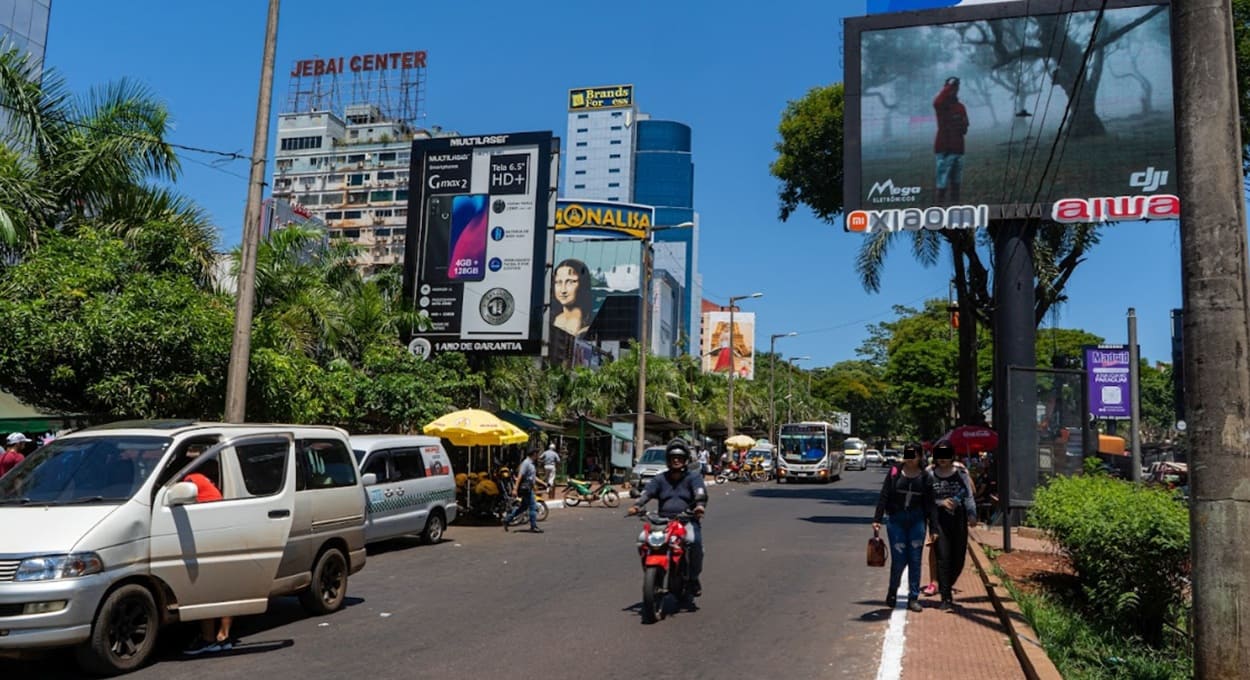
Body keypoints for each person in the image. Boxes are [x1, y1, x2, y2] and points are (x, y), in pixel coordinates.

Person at [627, 439, 708, 599]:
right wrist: (637, 505)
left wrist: (699, 507)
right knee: (642, 539)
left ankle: (693, 578)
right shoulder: (660, 479)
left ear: (685, 459)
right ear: (668, 460)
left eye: (679, 457)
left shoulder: (693, 478)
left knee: (694, 542)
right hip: (662, 521)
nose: (676, 460)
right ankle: (652, 572)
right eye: (672, 457)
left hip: (686, 520)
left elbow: (700, 493)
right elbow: (647, 492)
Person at [180, 446, 234, 655]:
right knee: (223, 590)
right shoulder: (205, 480)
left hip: (209, 536)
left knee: (207, 592)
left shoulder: (191, 480)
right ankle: (224, 636)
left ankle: (208, 639)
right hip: (221, 533)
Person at [873, 443, 934, 612]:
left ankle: (913, 597)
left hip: (917, 521)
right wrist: (877, 518)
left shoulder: (926, 477)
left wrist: (933, 529)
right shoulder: (894, 472)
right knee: (899, 559)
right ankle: (893, 591)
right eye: (908, 454)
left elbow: (930, 505)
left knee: (915, 559)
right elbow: (884, 494)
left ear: (920, 456)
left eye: (913, 455)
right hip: (896, 520)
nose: (910, 458)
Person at [927, 441, 977, 611]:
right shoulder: (929, 474)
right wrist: (941, 502)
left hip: (958, 519)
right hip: (938, 519)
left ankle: (945, 583)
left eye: (946, 455)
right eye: (939, 455)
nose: (942, 459)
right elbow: (924, 499)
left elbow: (969, 495)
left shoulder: (961, 473)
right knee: (943, 556)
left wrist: (972, 514)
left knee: (959, 558)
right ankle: (945, 596)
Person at [933, 76, 969, 205]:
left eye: (956, 88)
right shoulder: (941, 106)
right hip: (944, 148)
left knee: (956, 182)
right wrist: (948, 86)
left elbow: (965, 127)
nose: (954, 91)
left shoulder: (961, 107)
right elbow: (937, 102)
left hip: (958, 148)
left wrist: (961, 125)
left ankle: (955, 207)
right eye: (951, 89)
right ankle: (939, 208)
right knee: (942, 183)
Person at [503, 447, 542, 533]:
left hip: (529, 487)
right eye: (537, 453)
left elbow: (533, 477)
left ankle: (507, 519)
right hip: (526, 489)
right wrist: (515, 489)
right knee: (533, 506)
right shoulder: (526, 463)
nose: (538, 455)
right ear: (534, 454)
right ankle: (533, 526)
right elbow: (520, 476)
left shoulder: (531, 464)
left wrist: (543, 483)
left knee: (523, 507)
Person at [552, 258, 592, 337]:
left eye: (570, 282)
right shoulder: (553, 320)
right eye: (558, 282)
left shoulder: (588, 328)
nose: (563, 290)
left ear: (583, 284)